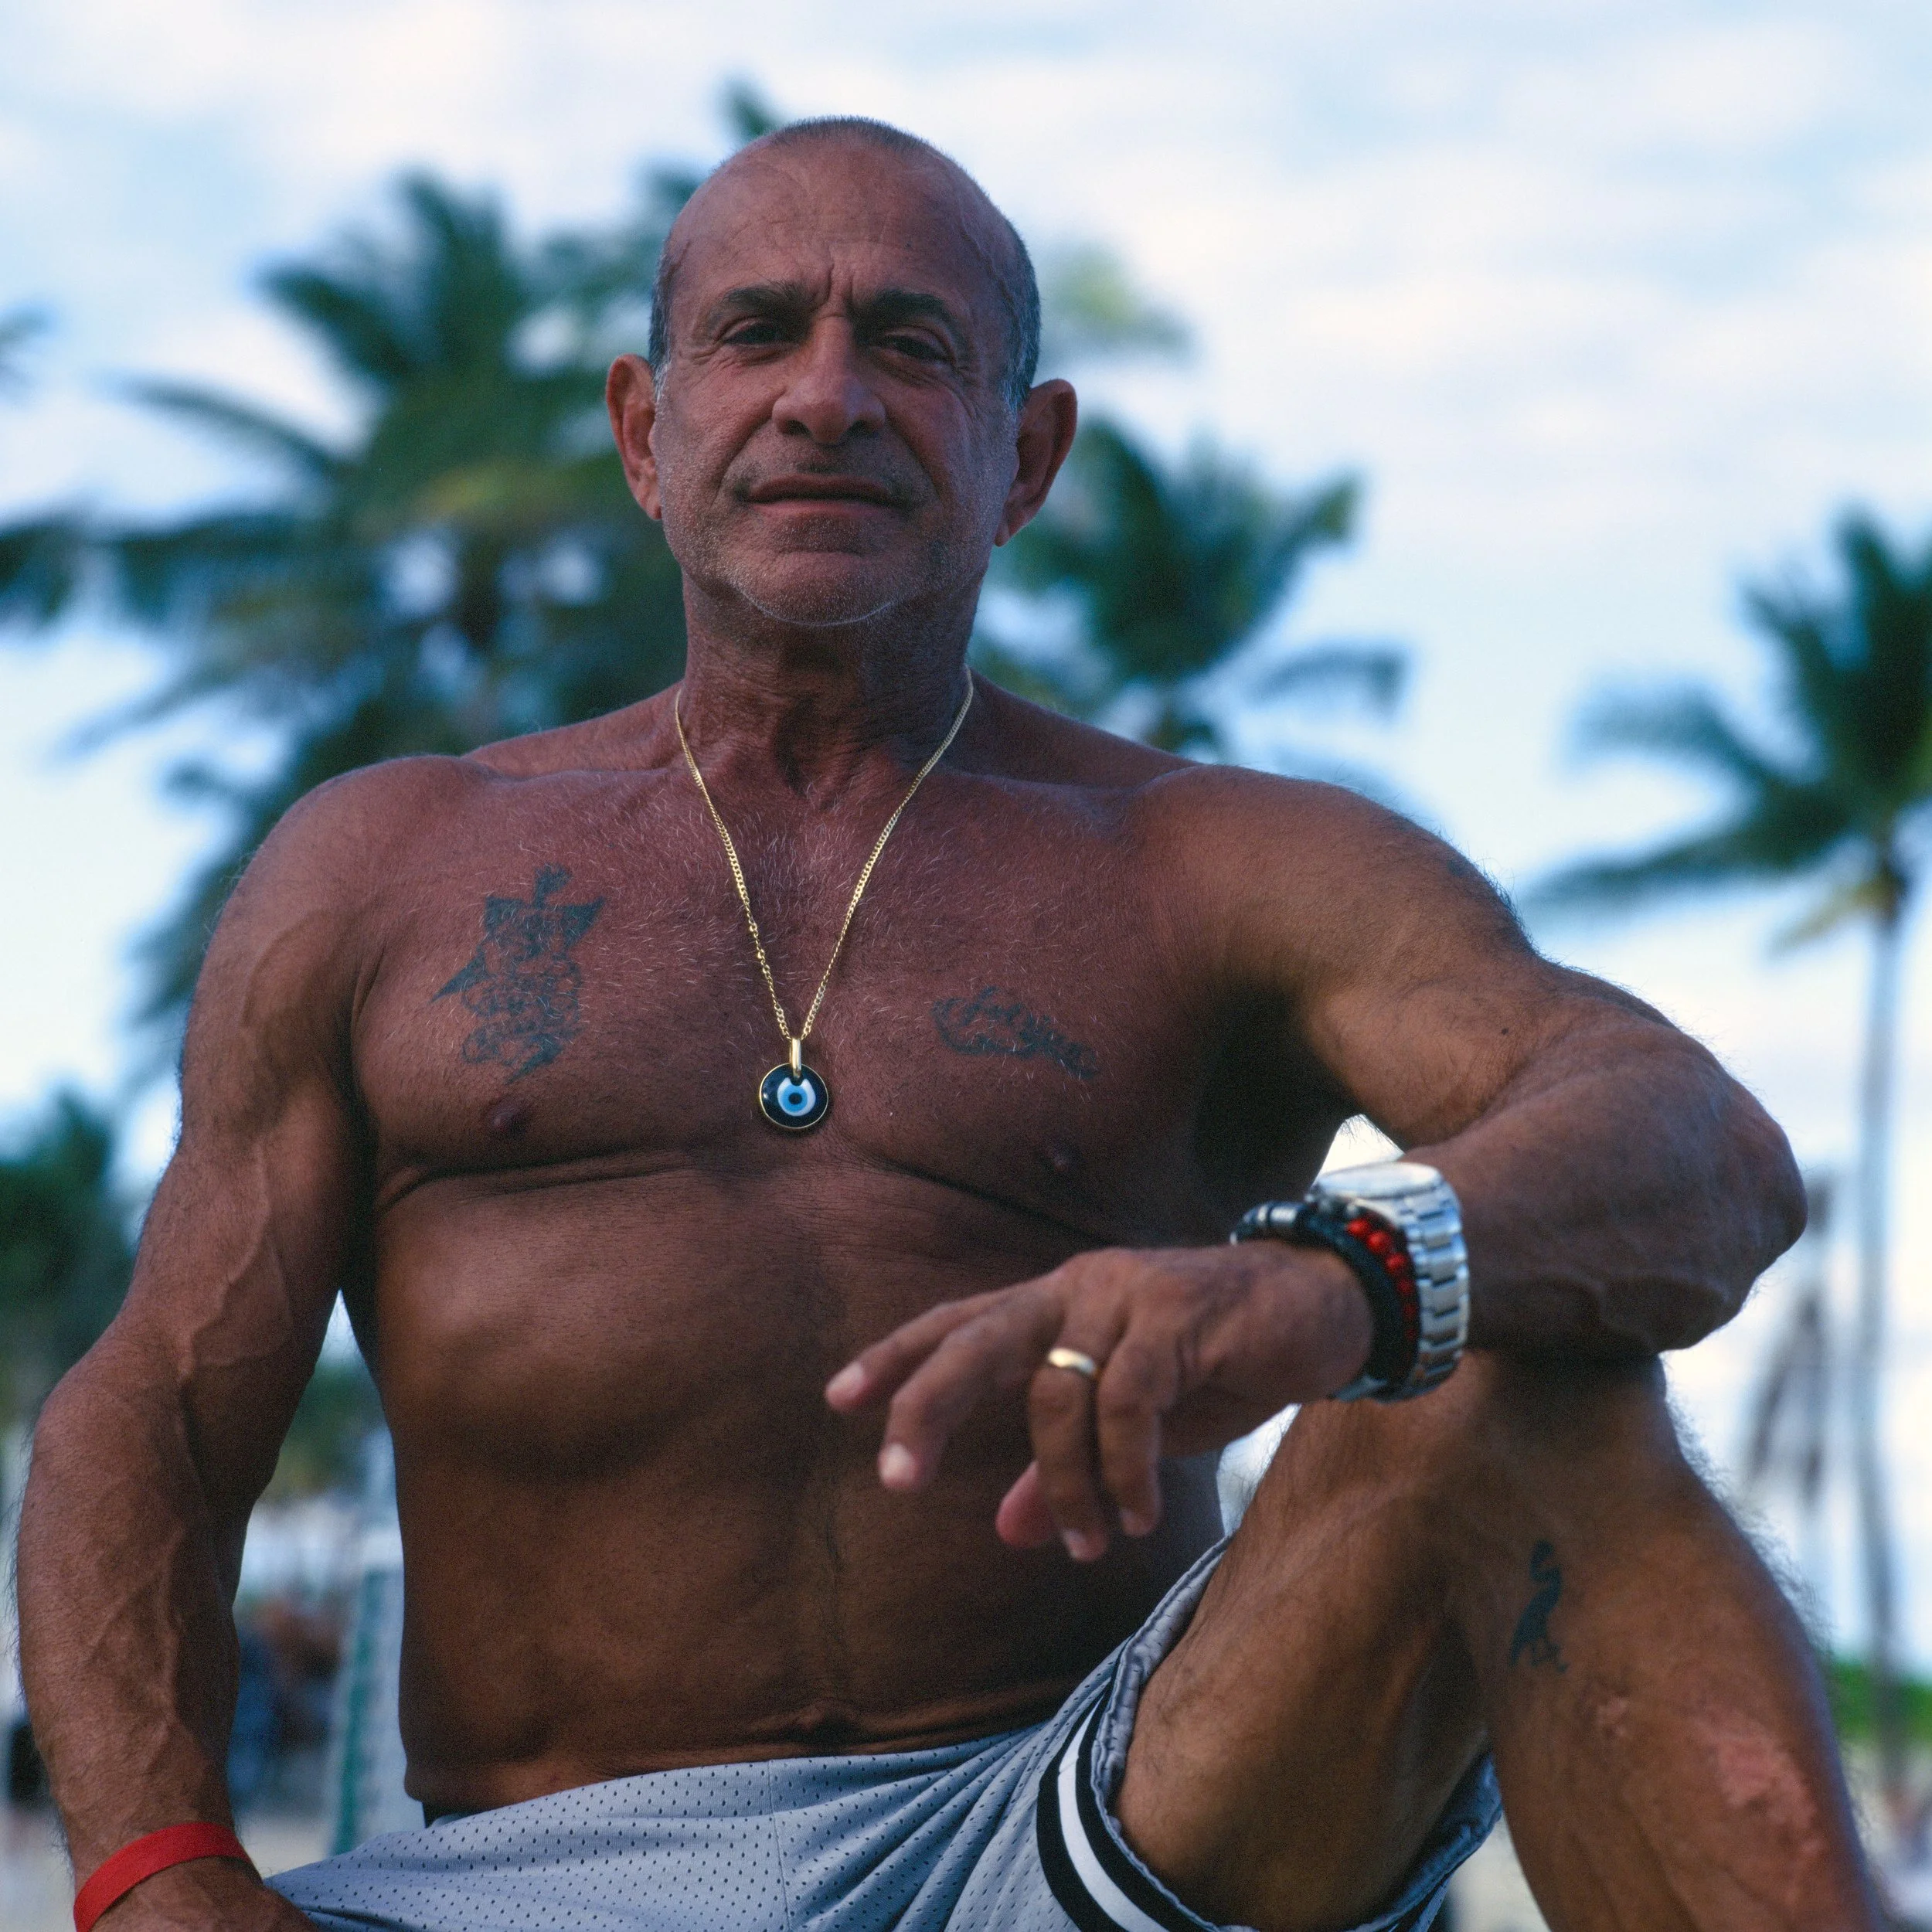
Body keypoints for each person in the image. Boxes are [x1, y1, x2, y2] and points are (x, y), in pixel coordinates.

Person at [19, 117, 1879, 1932]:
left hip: (1077, 1816)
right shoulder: (386, 866)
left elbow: (1693, 1141)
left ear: (1025, 456)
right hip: (521, 1864)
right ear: (643, 434)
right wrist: (155, 1875)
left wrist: (1329, 1276)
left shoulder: (1211, 864)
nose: (824, 395)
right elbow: (158, 1416)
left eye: (909, 346)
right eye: (755, 332)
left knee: (1501, 1359)